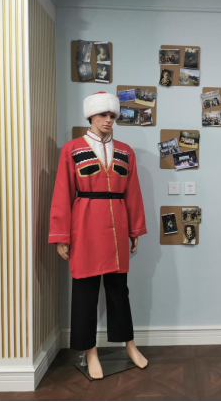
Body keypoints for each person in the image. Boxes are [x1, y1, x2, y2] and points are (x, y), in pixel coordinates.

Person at [49, 92, 149, 380]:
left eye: (112, 115)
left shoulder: (125, 152)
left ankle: (129, 344)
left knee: (119, 290)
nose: (108, 120)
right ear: (91, 116)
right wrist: (61, 235)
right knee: (85, 291)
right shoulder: (72, 149)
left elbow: (133, 193)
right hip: (85, 225)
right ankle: (90, 351)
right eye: (103, 115)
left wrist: (135, 230)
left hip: (117, 224)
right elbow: (62, 192)